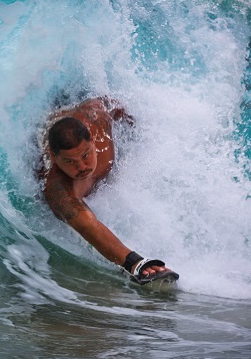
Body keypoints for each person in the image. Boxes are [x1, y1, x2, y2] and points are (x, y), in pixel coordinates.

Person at [40, 97, 178, 285]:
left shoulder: (97, 121)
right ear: (55, 159)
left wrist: (134, 126)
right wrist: (135, 263)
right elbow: (87, 224)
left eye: (86, 155)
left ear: (93, 142)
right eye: (70, 161)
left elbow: (107, 103)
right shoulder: (57, 188)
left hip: (72, 110)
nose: (81, 166)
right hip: (48, 124)